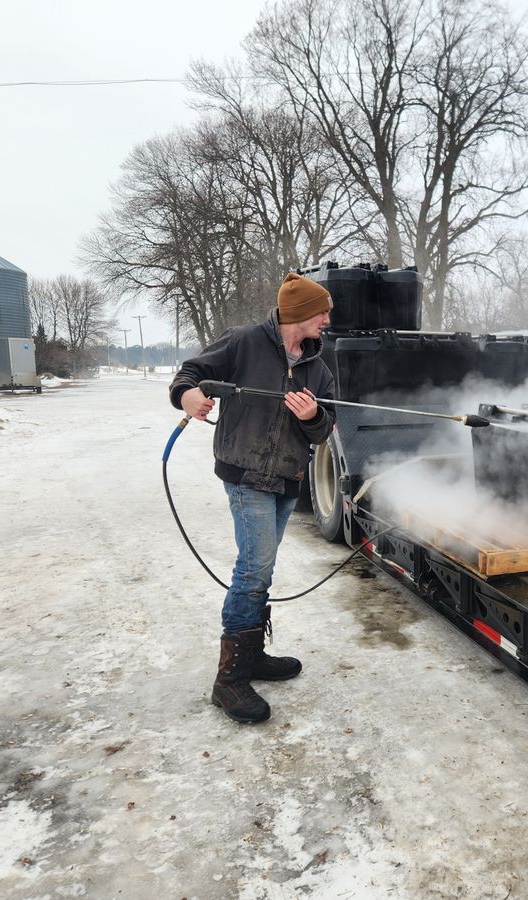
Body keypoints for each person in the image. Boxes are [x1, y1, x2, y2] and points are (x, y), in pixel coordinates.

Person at [169, 273, 336, 723]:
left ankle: (252, 655)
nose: (327, 320)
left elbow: (325, 429)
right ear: (300, 313)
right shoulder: (244, 342)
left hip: (287, 478)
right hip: (246, 474)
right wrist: (188, 397)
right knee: (253, 568)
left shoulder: (318, 368)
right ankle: (230, 680)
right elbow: (190, 374)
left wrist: (312, 416)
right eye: (322, 312)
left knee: (262, 565)